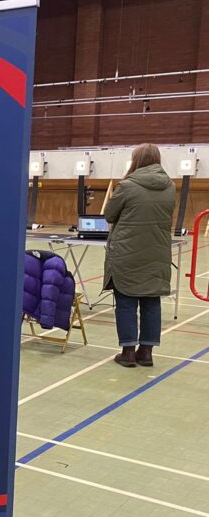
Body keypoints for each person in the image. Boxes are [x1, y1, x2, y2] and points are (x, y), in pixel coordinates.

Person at [103, 143, 176, 368]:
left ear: (136, 161)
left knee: (126, 301)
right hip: (157, 251)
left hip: (127, 252)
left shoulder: (128, 186)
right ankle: (146, 352)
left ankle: (127, 352)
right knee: (151, 301)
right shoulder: (170, 186)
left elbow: (109, 214)